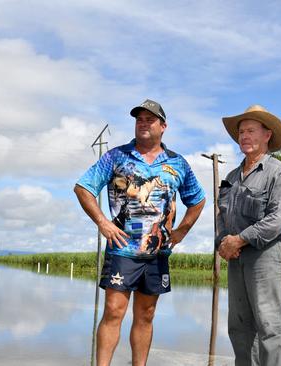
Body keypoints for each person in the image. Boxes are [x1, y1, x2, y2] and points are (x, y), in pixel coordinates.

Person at [74, 99, 206, 366]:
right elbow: (83, 187)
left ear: (163, 126)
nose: (144, 123)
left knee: (146, 314)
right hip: (122, 248)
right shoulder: (115, 156)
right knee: (113, 311)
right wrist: (103, 222)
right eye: (139, 119)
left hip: (157, 251)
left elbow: (198, 199)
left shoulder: (177, 163)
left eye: (150, 119)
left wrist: (181, 231)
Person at [216, 104, 281, 366]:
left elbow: (278, 221)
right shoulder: (231, 177)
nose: (244, 136)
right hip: (236, 258)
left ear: (267, 135)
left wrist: (240, 238)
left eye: (251, 131)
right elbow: (222, 218)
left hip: (266, 257)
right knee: (239, 328)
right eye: (241, 132)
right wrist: (223, 244)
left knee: (270, 328)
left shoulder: (278, 172)